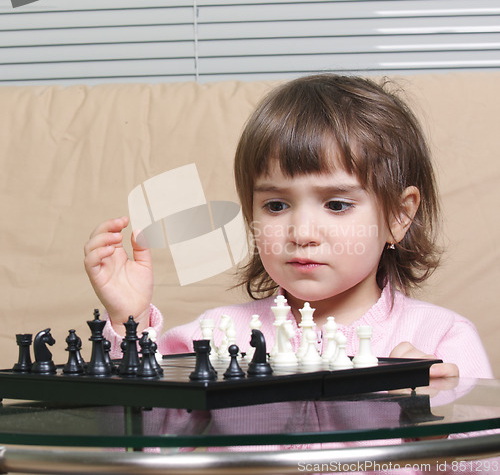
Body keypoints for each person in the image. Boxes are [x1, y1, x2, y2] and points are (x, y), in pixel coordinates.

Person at [83, 74, 493, 380]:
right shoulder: (210, 338)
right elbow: (142, 440)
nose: (301, 232)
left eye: (336, 204)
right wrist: (128, 323)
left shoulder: (443, 340)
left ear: (399, 216)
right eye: (276, 205)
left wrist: (434, 412)